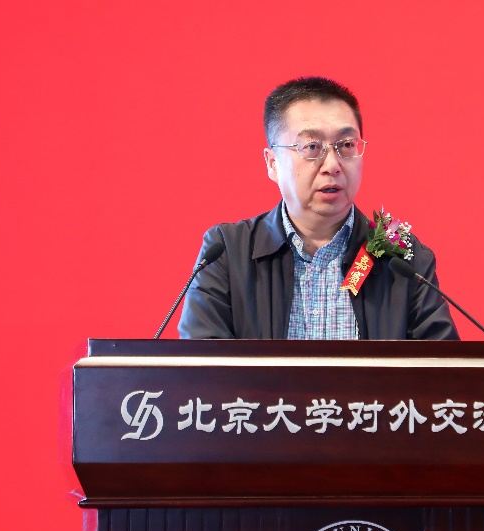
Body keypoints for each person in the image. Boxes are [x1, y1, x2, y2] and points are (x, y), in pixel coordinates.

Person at [178, 77, 458, 340]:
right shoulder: (227, 254)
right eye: (311, 147)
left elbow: (441, 368)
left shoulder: (405, 260)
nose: (332, 165)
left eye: (346, 145)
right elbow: (202, 367)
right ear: (272, 163)